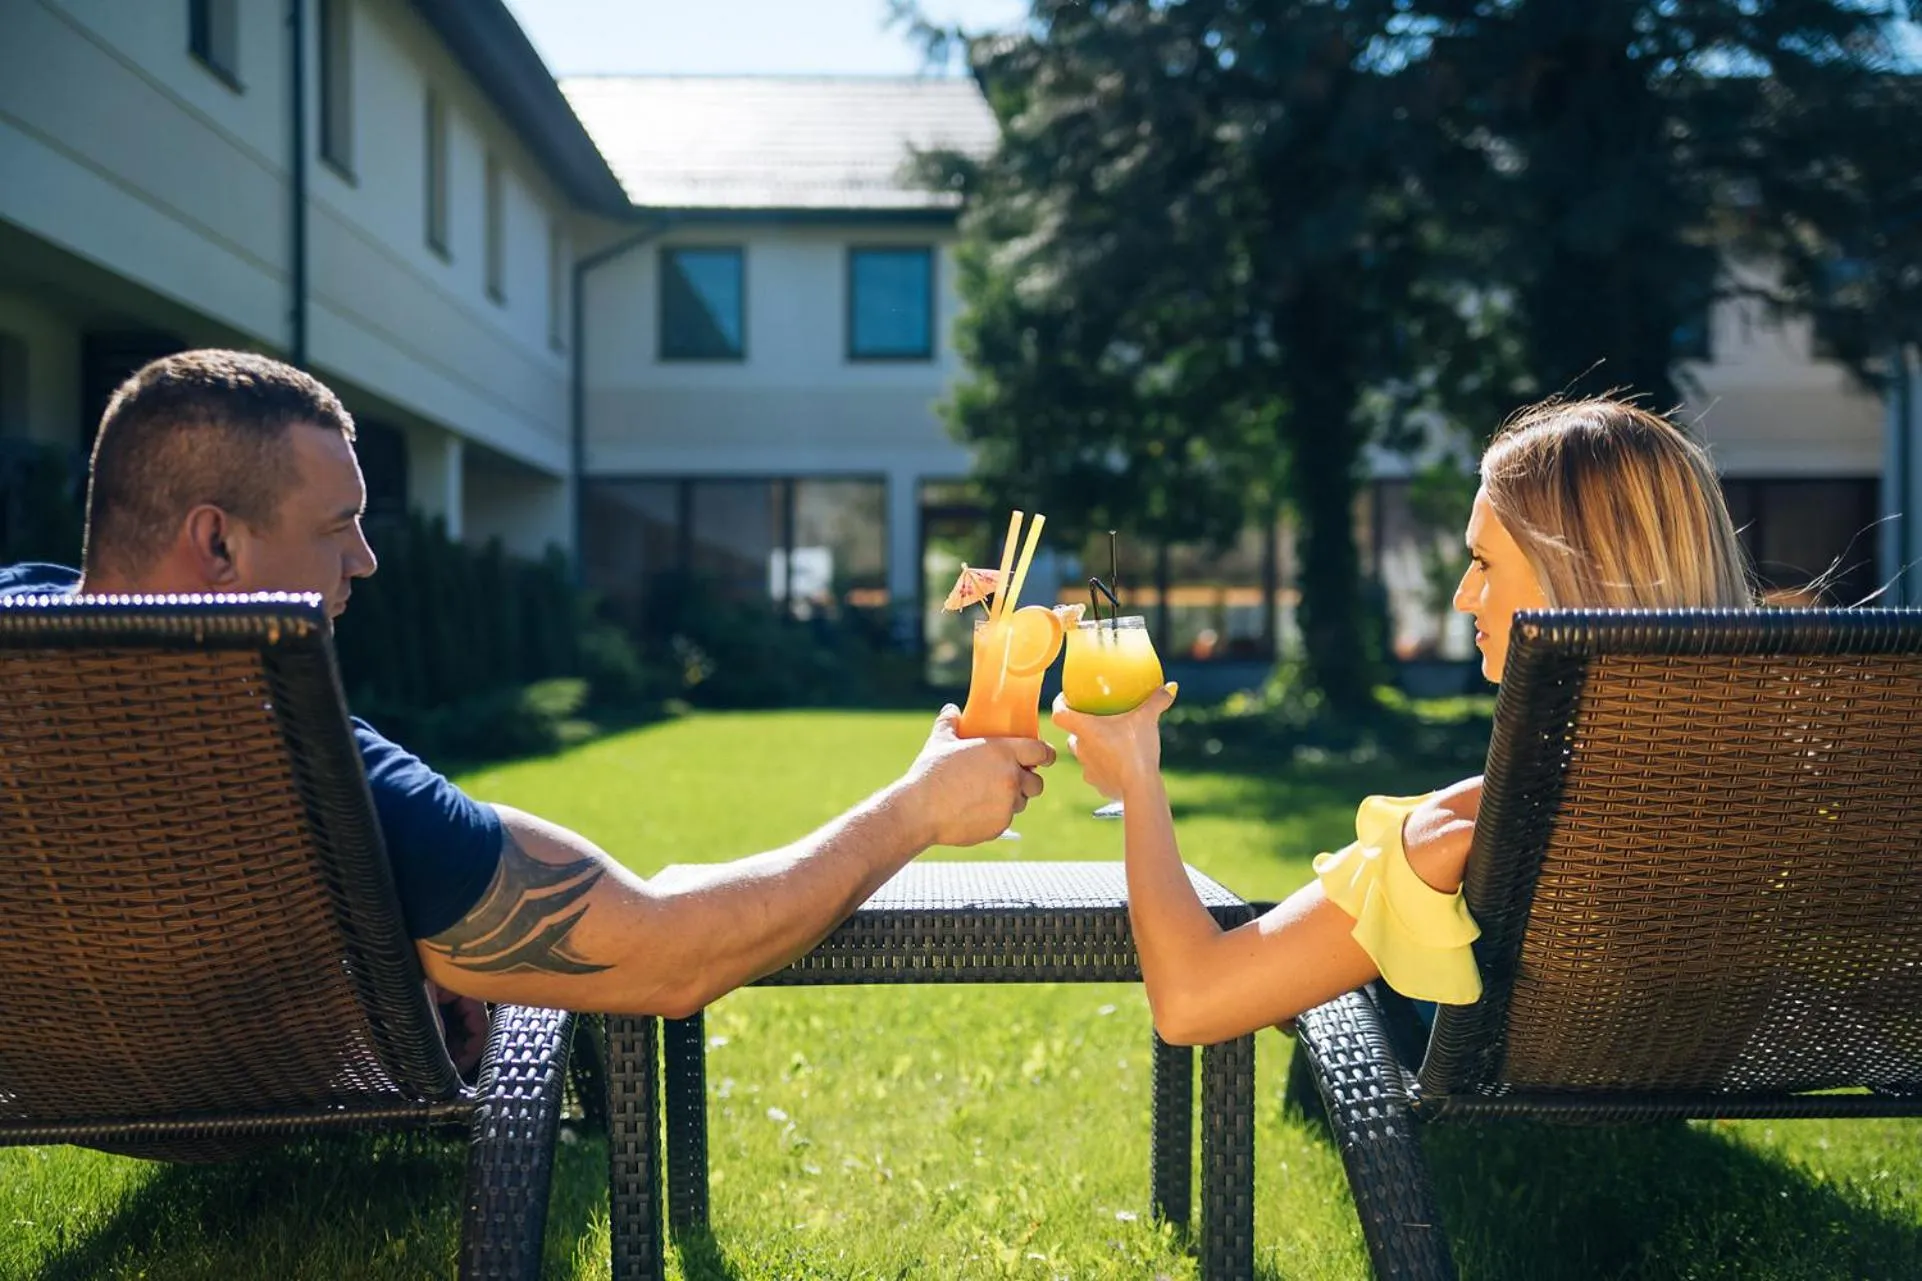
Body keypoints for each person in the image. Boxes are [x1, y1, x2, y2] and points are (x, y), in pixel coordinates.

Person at [0, 349, 1053, 1035]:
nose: (364, 561)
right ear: (218, 540)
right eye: (338, 527)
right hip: (253, 1080)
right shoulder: (321, 783)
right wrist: (917, 806)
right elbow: (667, 953)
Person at [1052, 396, 1754, 1046]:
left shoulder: (1471, 829)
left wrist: (1138, 776)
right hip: (1675, 1061)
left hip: (1425, 1070)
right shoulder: (1792, 797)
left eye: (1482, 563)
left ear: (1576, 580)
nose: (1461, 596)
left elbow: (1193, 1001)